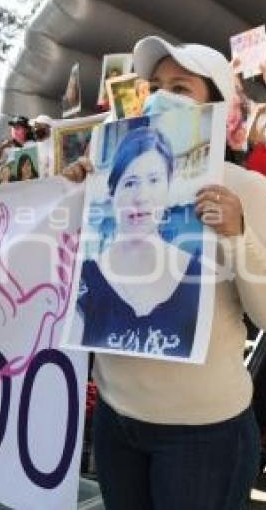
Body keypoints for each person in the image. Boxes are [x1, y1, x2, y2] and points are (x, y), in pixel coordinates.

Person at [66, 37, 266, 509]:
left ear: (217, 104)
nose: (160, 96)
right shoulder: (105, 189)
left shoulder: (247, 189)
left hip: (203, 437)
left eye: (180, 86)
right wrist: (69, 195)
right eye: (154, 85)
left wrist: (239, 235)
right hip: (117, 424)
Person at [78, 127, 200, 358]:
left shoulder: (196, 274)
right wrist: (65, 190)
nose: (141, 197)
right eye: (130, 183)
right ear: (112, 192)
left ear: (168, 186)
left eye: (154, 180)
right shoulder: (85, 280)